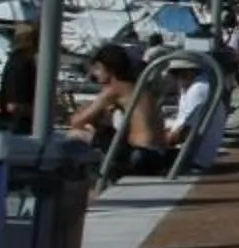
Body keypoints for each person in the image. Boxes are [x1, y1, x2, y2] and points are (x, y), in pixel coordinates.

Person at [66, 43, 175, 175]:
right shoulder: (136, 87)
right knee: (100, 134)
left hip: (141, 155)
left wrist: (86, 114)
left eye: (97, 68)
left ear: (110, 70)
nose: (94, 73)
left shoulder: (114, 89)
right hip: (157, 154)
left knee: (75, 133)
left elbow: (76, 122)